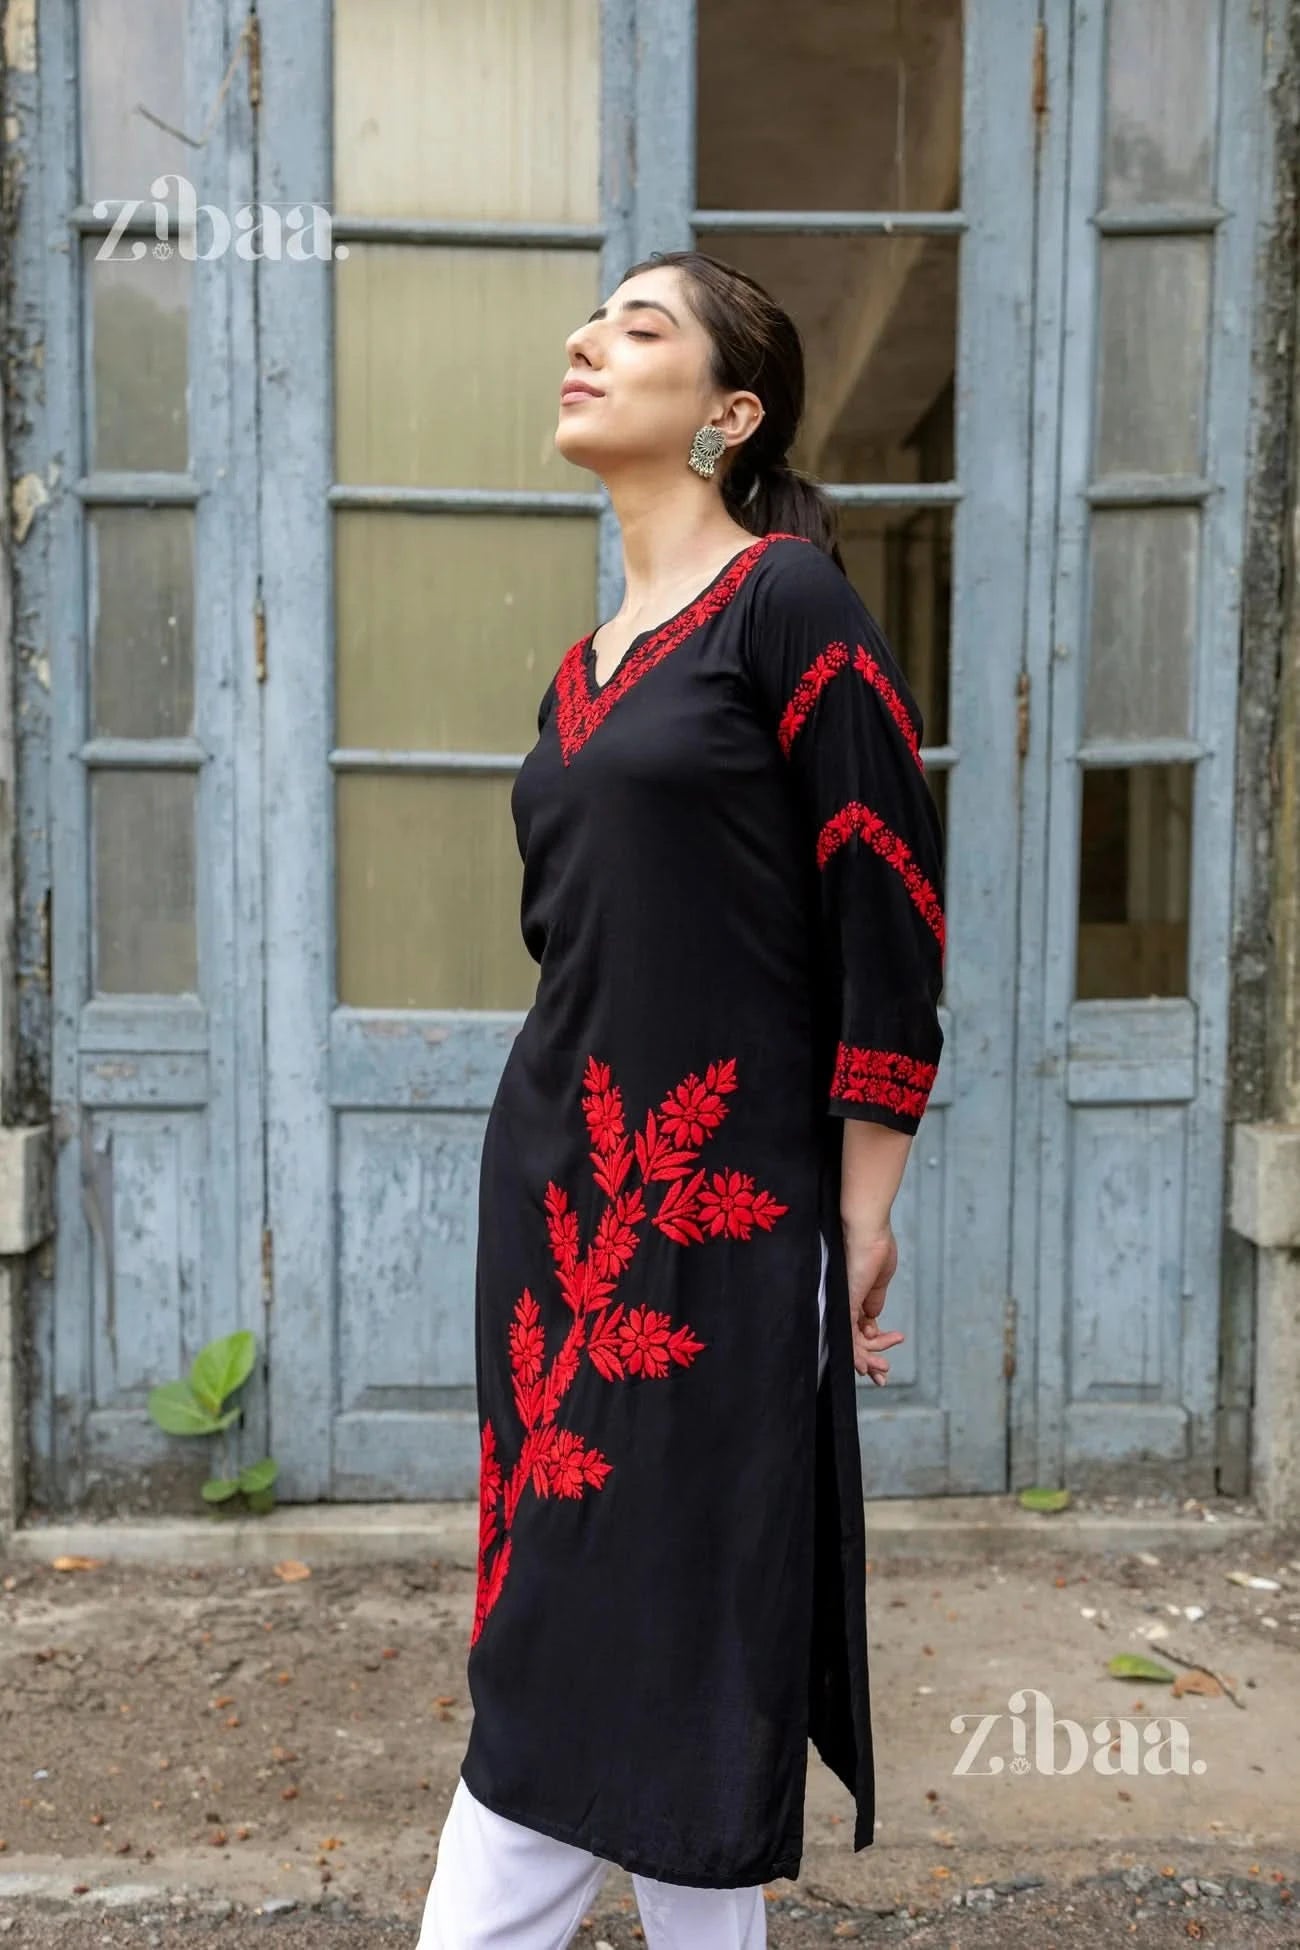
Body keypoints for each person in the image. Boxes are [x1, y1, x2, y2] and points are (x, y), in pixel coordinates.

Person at [416, 248, 946, 1948]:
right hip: (559, 1220)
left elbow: (888, 900)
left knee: (674, 1625)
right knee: (579, 1613)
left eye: (639, 327)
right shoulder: (581, 674)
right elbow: (580, 959)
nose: (587, 341)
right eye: (593, 319)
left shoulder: (786, 602)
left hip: (721, 1230)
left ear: (730, 413)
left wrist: (860, 1210)